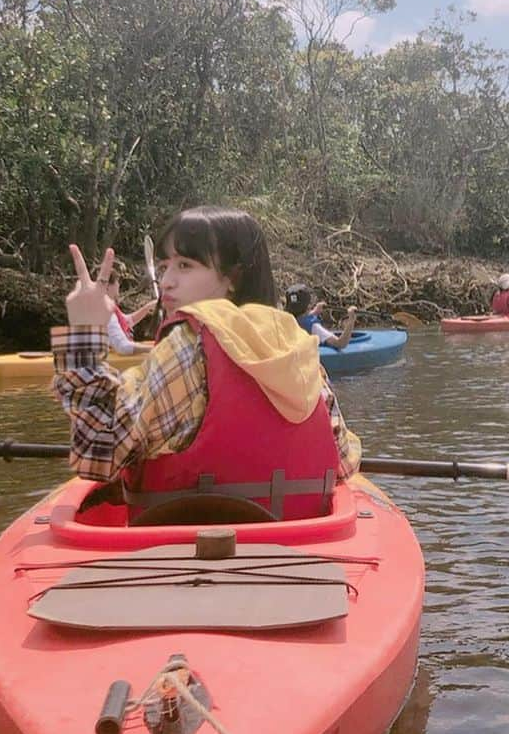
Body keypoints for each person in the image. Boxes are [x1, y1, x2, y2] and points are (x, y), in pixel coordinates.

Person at [51, 206, 360, 522]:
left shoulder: (185, 346)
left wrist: (83, 338)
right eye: (164, 265)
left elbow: (97, 452)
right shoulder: (297, 346)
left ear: (233, 277)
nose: (167, 281)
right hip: (296, 551)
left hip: (176, 556)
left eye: (185, 265)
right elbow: (344, 464)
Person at [283, 283, 358, 350]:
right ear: (308, 305)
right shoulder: (314, 327)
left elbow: (300, 319)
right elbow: (340, 344)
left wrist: (314, 312)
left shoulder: (285, 321)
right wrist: (351, 321)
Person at [105, 272, 156, 356]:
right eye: (117, 282)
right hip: (115, 361)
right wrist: (155, 349)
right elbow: (123, 347)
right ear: (107, 287)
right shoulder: (106, 312)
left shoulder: (108, 307)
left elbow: (128, 321)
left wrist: (148, 307)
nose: (118, 286)